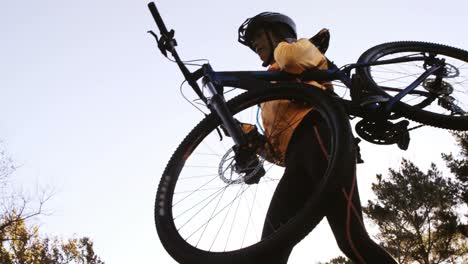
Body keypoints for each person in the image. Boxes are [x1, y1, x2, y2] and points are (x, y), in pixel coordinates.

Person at [237, 12, 398, 264]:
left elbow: (291, 60)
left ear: (276, 32)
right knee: (267, 253)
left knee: (351, 240)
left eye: (258, 36)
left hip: (320, 136)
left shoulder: (299, 49)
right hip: (296, 162)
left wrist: (282, 44)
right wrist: (250, 141)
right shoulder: (271, 90)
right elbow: (277, 152)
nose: (254, 44)